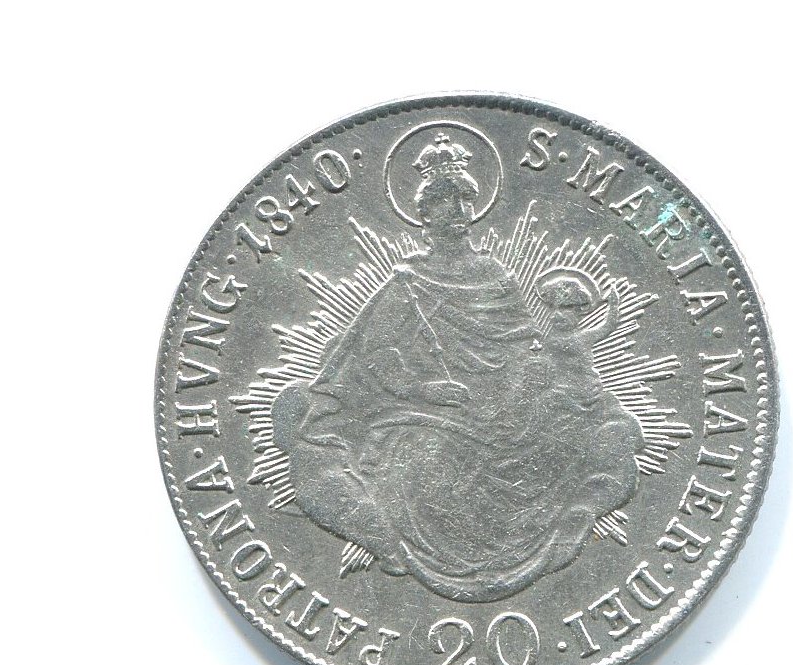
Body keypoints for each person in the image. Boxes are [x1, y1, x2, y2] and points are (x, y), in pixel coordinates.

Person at [272, 134, 643, 602]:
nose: (459, 212)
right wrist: (424, 389)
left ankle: (563, 521)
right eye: (446, 202)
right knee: (425, 460)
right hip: (426, 409)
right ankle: (423, 550)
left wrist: (532, 374)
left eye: (465, 200)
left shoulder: (495, 276)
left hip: (503, 404)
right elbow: (378, 355)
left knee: (574, 429)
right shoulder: (407, 282)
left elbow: (519, 345)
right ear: (426, 213)